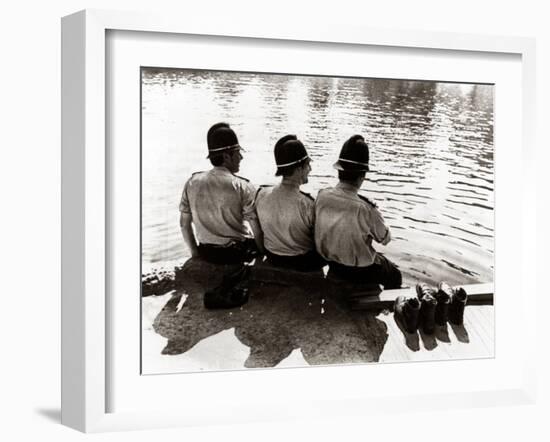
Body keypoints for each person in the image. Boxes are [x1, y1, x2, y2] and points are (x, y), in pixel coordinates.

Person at [314, 135, 402, 289]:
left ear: (338, 171)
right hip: (360, 271)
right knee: (394, 274)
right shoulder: (366, 208)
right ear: (362, 176)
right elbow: (385, 239)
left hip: (333, 265)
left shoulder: (321, 196)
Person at [179, 122, 265, 265]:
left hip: (206, 253)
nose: (241, 158)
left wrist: (195, 255)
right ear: (226, 156)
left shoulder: (191, 182)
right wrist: (263, 256)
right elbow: (258, 231)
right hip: (237, 254)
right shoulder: (242, 186)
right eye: (238, 153)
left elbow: (184, 225)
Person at [255, 135, 325, 272]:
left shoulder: (261, 194)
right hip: (301, 263)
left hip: (272, 256)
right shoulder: (307, 203)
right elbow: (319, 241)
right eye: (308, 164)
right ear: (299, 169)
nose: (310, 169)